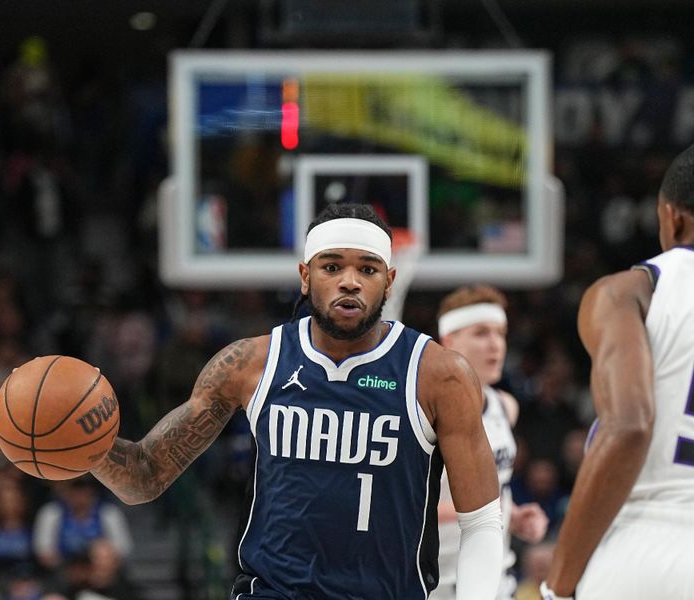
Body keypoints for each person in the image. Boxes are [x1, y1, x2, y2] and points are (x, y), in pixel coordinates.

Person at [91, 203, 504, 599]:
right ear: (305, 276)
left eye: (367, 268)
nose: (350, 281)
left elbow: (482, 521)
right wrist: (85, 450)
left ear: (390, 281)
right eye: (332, 266)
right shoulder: (250, 363)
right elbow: (145, 475)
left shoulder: (439, 375)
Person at [541, 145, 694, 599]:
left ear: (671, 217)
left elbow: (629, 426)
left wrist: (557, 584)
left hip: (647, 547)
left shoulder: (628, 291)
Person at [430, 285, 548, 600]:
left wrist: (516, 515)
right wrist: (473, 509)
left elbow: (496, 490)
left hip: (495, 574)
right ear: (449, 341)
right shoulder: (423, 410)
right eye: (481, 333)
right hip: (437, 579)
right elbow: (397, 502)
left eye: (501, 333)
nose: (496, 344)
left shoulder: (506, 407)